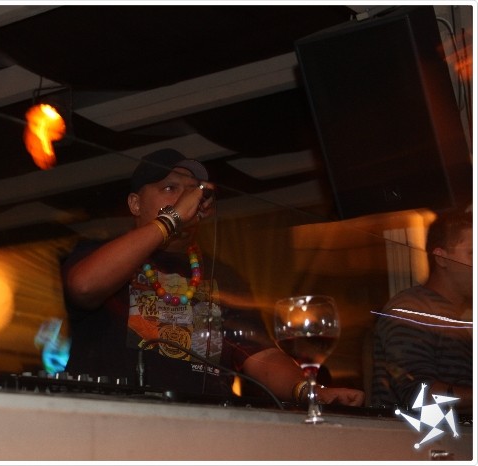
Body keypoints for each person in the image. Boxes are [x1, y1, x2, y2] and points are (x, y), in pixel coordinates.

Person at [61, 147, 364, 406]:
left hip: (205, 428)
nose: (185, 198)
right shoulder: (100, 254)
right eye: (170, 188)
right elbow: (84, 285)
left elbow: (261, 357)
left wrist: (310, 392)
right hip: (116, 424)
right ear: (135, 204)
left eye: (192, 190)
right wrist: (171, 219)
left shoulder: (225, 277)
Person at [371, 209, 473, 409]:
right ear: (441, 258)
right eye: (473, 253)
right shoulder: (410, 309)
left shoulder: (453, 318)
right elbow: (418, 395)